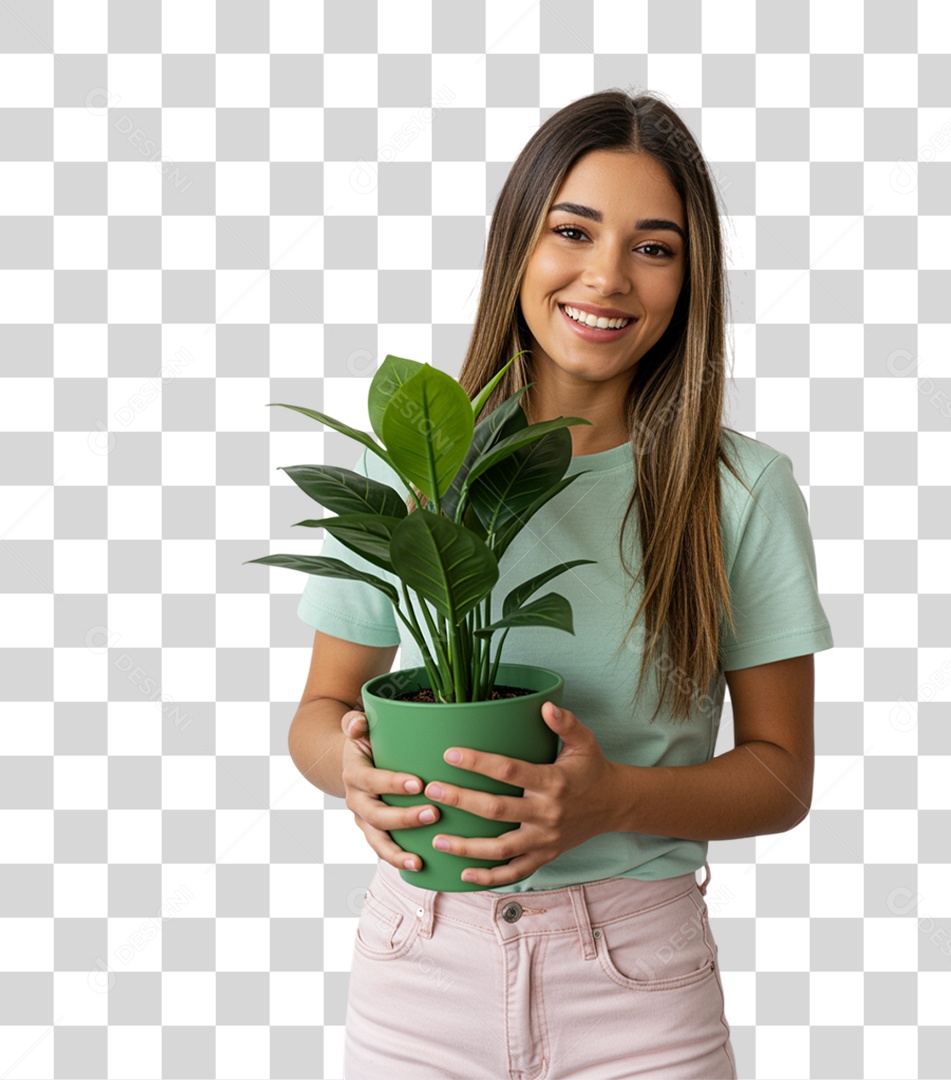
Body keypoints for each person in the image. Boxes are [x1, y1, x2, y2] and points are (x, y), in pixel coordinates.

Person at [289, 89, 833, 1079]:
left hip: (636, 979)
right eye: (572, 230)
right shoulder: (418, 469)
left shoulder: (738, 491)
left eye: (654, 247)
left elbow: (782, 772)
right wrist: (351, 768)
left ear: (689, 280)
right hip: (420, 964)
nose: (606, 276)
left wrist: (613, 799)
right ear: (518, 247)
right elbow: (321, 712)